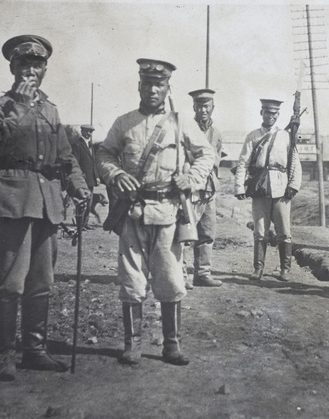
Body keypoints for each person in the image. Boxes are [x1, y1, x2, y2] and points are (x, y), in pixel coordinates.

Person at [0, 35, 91, 381]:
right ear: (12, 67)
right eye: (23, 64)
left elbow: (66, 156)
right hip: (11, 201)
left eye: (36, 64)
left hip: (47, 203)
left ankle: (34, 350)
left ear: (44, 69)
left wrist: (80, 187)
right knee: (10, 284)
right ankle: (3, 355)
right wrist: (20, 110)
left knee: (42, 282)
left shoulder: (51, 109)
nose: (30, 70)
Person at [96, 58, 215, 366]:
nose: (152, 90)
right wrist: (115, 174)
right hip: (133, 211)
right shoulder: (124, 122)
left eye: (158, 84)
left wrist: (191, 178)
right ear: (139, 85)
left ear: (167, 88)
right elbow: (105, 153)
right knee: (132, 279)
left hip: (168, 213)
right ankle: (132, 344)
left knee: (170, 279)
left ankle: (171, 345)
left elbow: (206, 153)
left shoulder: (180, 122)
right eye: (147, 83)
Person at [234, 99, 302, 282]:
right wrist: (239, 186)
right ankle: (258, 268)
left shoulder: (286, 136)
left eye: (274, 113)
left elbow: (294, 161)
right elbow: (243, 162)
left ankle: (285, 269)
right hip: (259, 188)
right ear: (261, 113)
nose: (270, 116)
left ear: (278, 115)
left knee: (284, 231)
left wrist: (293, 186)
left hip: (281, 187)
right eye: (267, 112)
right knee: (260, 229)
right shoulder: (253, 136)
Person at [182, 88, 224, 288]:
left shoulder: (216, 133)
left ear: (212, 107)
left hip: (209, 189)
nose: (203, 110)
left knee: (207, 233)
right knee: (185, 232)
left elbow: (216, 160)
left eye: (206, 106)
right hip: (192, 189)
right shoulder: (186, 129)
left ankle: (202, 273)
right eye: (199, 106)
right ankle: (181, 275)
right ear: (194, 107)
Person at [71, 124, 100, 229]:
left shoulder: (91, 146)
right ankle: (79, 224)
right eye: (87, 131)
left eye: (91, 132)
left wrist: (96, 176)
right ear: (82, 131)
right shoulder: (77, 145)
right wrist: (79, 175)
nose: (89, 134)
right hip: (82, 179)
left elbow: (93, 163)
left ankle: (85, 223)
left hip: (91, 179)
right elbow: (75, 162)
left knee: (89, 203)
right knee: (82, 202)